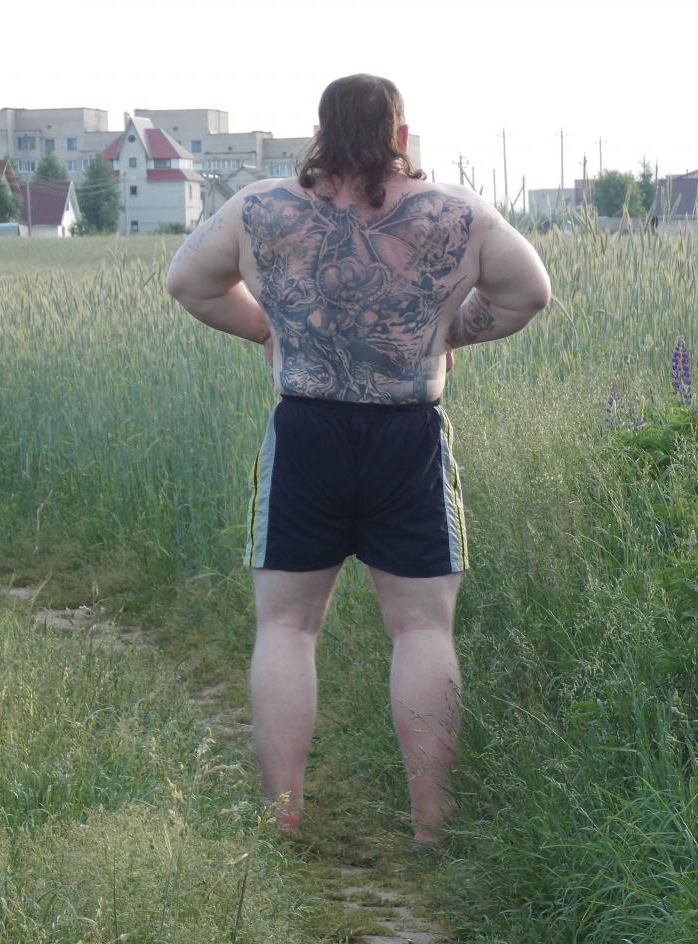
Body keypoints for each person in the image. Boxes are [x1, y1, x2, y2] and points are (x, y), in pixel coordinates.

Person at [165, 73, 550, 845]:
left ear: (321, 134)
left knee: (287, 626)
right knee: (421, 630)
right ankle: (432, 830)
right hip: (408, 435)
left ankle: (283, 821)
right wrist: (447, 333)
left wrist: (268, 329)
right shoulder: (456, 212)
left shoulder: (261, 208)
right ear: (400, 137)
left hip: (306, 430)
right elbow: (529, 292)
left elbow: (188, 283)